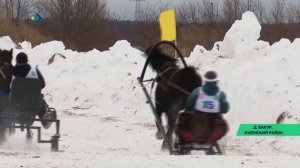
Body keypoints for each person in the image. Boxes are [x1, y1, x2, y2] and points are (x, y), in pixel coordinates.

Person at [185, 70, 229, 147]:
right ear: (216, 81)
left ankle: (188, 140)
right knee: (223, 125)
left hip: (196, 123)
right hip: (213, 126)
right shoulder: (221, 95)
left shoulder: (197, 91)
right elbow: (225, 110)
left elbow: (188, 104)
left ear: (205, 81)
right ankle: (211, 141)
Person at [11, 52, 48, 122]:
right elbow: (42, 84)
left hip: (16, 105)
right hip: (33, 104)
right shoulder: (34, 71)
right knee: (40, 97)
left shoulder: (12, 72)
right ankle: (43, 116)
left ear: (16, 61)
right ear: (27, 60)